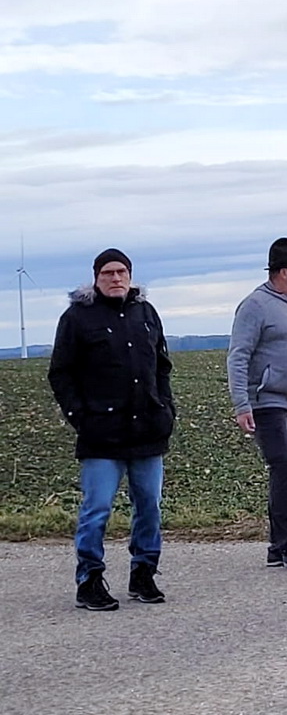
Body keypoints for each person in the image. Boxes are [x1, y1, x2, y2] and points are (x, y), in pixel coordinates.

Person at [48, 249, 176, 610]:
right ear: (96, 278)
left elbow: (162, 367)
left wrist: (166, 407)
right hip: (102, 435)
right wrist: (80, 417)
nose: (116, 278)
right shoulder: (77, 318)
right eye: (108, 273)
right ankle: (89, 578)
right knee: (98, 508)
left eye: (122, 272)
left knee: (149, 506)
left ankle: (144, 572)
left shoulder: (146, 313)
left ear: (131, 276)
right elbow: (61, 373)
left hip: (148, 431)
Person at [227, 237, 287, 568]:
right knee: (282, 465)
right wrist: (242, 404)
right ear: (283, 272)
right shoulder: (255, 306)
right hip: (268, 400)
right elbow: (238, 356)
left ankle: (277, 545)